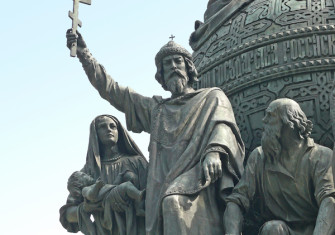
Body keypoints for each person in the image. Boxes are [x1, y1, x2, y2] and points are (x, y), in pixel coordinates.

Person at [66, 31, 245, 235]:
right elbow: (113, 91)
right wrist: (84, 55)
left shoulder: (211, 97)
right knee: (168, 201)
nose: (174, 67)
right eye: (167, 64)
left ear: (189, 67)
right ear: (161, 74)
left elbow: (223, 127)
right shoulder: (156, 109)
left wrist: (214, 152)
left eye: (178, 61)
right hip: (165, 184)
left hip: (201, 181)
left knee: (173, 202)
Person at [223, 98, 335, 235]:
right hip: (280, 230)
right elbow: (237, 200)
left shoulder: (321, 156)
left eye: (270, 116)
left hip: (316, 229)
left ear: (289, 123)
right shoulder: (259, 157)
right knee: (272, 229)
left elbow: (329, 200)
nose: (263, 121)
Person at [60, 115, 148, 235]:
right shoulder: (87, 173)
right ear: (95, 133)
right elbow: (68, 215)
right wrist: (87, 207)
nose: (109, 129)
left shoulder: (137, 162)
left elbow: (153, 197)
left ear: (119, 131)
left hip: (138, 229)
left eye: (113, 126)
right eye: (102, 127)